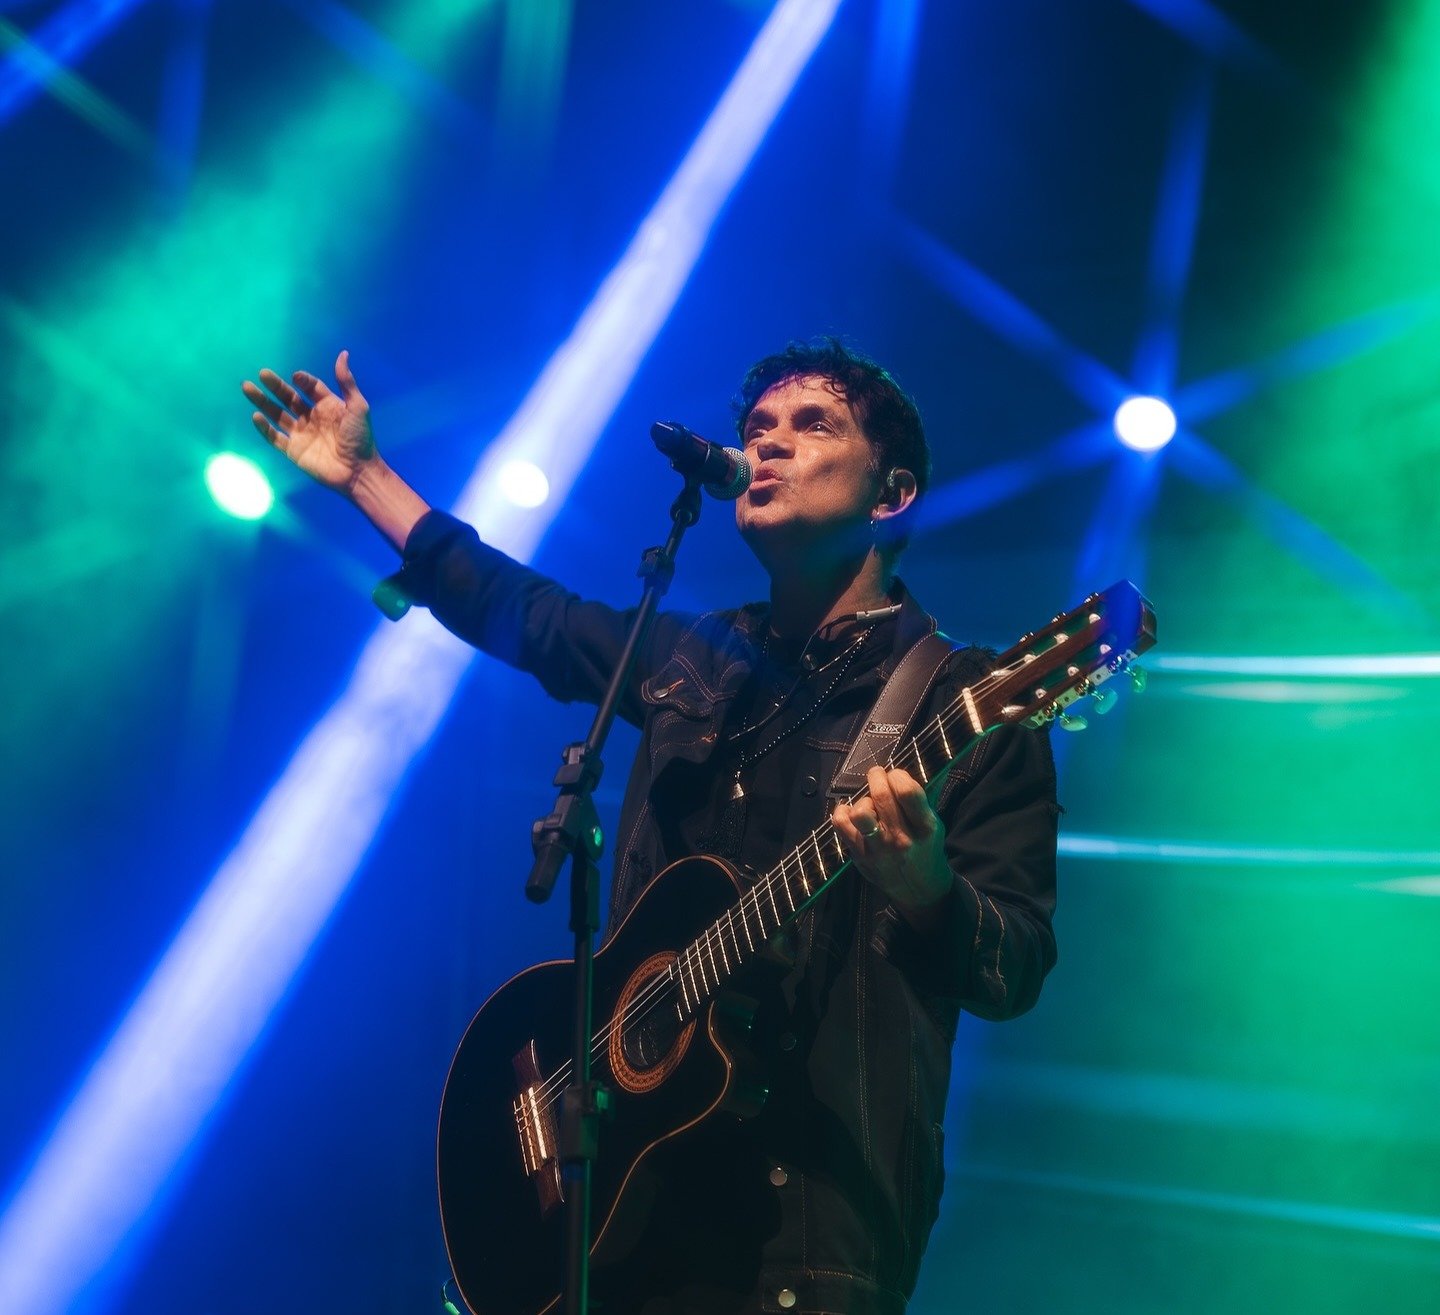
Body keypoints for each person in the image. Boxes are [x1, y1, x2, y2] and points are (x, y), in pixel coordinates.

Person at [242, 339, 1059, 1315]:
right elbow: (525, 613)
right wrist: (365, 474)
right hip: (620, 1232)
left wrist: (927, 883)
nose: (767, 447)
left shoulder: (965, 703)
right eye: (757, 429)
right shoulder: (695, 656)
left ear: (891, 494)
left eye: (810, 426)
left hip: (802, 1245)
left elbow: (1016, 965)